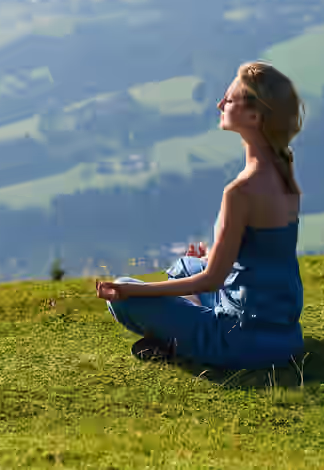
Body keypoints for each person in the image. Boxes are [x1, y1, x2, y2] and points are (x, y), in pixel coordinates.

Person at [96, 61, 306, 370]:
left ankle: (179, 341)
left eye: (229, 99)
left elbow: (212, 280)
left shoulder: (240, 191)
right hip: (284, 336)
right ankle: (180, 328)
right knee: (185, 265)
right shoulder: (284, 171)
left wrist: (133, 290)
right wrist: (214, 256)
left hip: (238, 339)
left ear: (254, 116)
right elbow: (265, 256)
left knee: (123, 294)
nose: (220, 104)